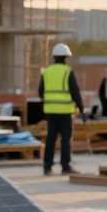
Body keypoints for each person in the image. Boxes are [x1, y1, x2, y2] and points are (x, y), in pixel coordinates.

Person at [38, 42, 85, 176]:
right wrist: (81, 107)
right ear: (66, 57)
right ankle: (65, 166)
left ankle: (47, 167)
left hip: (51, 111)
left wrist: (50, 100)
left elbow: (40, 91)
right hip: (64, 111)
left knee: (51, 139)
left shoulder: (46, 72)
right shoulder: (67, 72)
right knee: (65, 140)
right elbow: (75, 92)